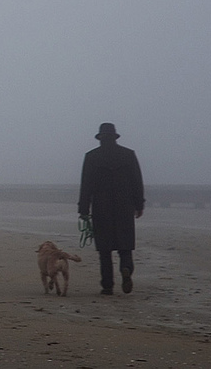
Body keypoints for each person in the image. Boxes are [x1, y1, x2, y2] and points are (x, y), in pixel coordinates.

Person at [78, 122, 145, 295]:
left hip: (101, 207)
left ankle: (107, 286)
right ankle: (126, 269)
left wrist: (83, 209)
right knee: (125, 246)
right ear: (115, 137)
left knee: (104, 250)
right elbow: (137, 182)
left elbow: (86, 185)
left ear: (100, 138)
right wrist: (139, 204)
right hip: (124, 206)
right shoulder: (128, 155)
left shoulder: (92, 157)